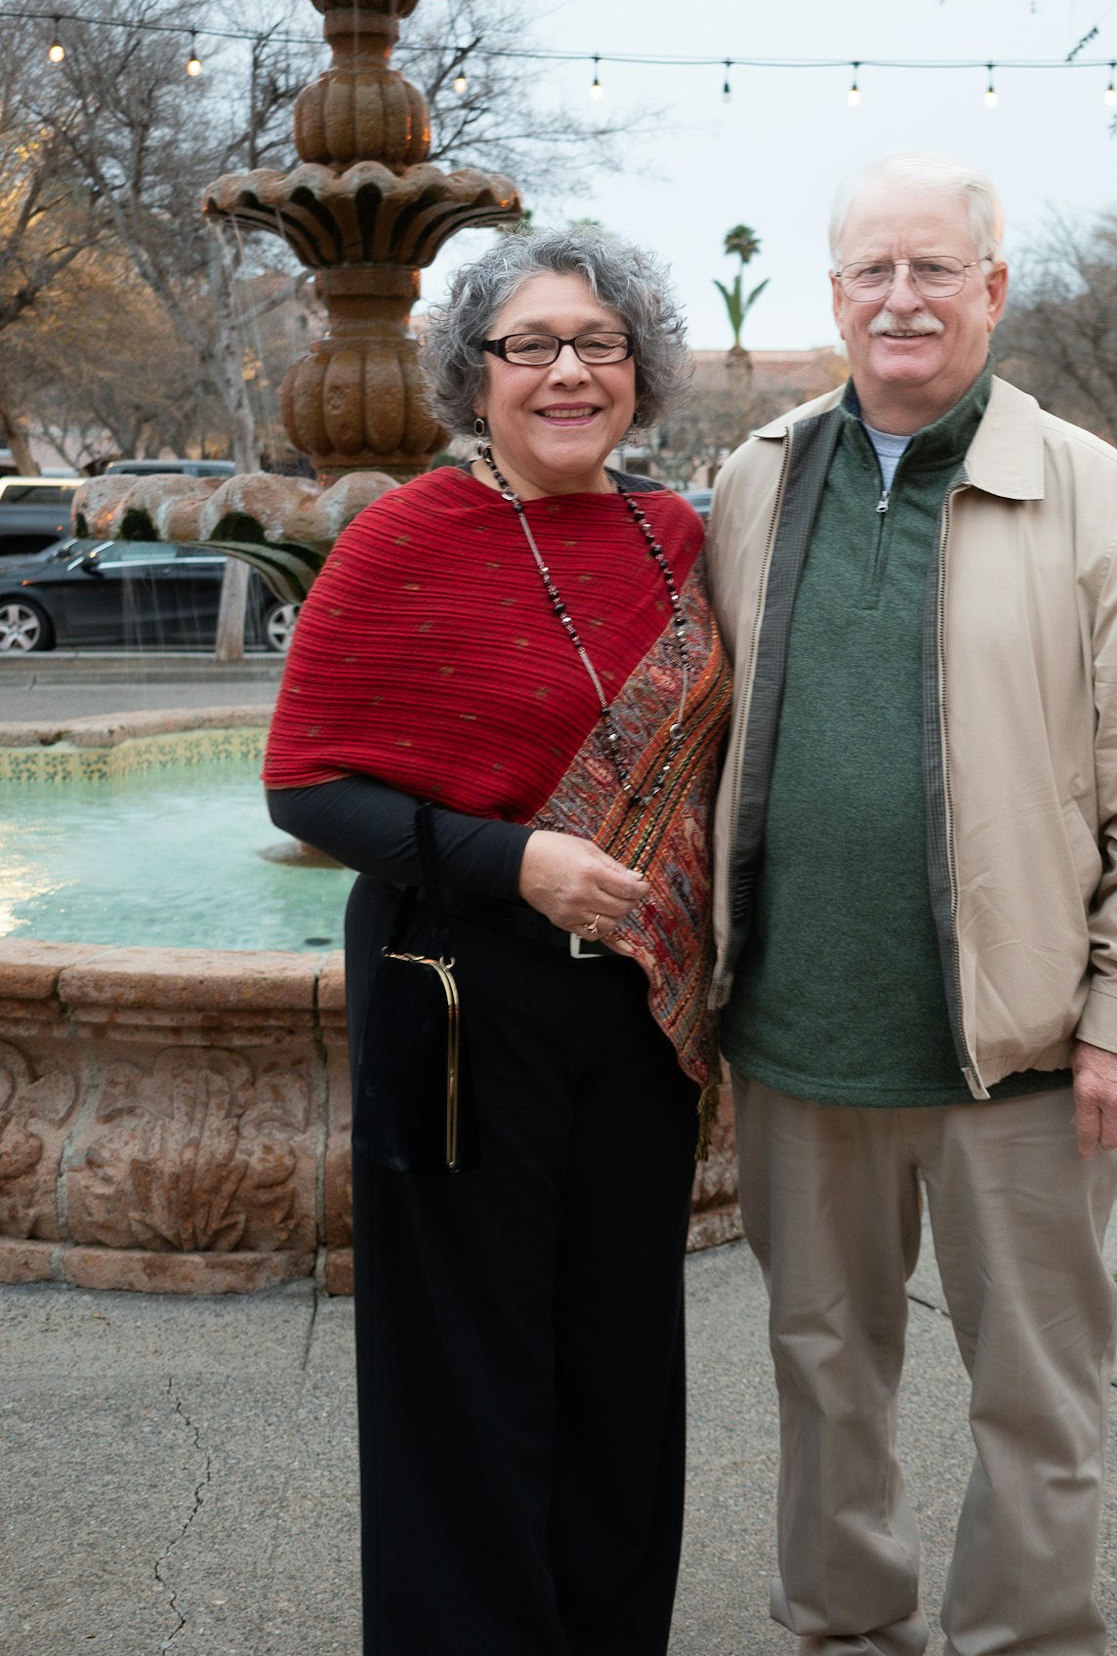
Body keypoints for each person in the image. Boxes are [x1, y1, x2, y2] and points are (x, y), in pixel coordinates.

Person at [705, 152, 1117, 1656]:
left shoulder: (1093, 495)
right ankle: (840, 1624)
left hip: (1017, 1053)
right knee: (821, 1366)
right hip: (796, 1037)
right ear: (832, 296)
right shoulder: (754, 479)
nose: (901, 297)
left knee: (1035, 1388)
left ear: (992, 291)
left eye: (934, 268)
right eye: (873, 270)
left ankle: (1020, 1639)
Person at [263, 225, 731, 1656]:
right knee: (464, 1374)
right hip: (459, 1002)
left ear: (639, 371)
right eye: (529, 346)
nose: (567, 372)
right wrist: (512, 861)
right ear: (477, 375)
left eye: (597, 344)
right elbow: (304, 784)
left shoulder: (678, 539)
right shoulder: (402, 537)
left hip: (636, 1024)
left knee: (619, 1358)